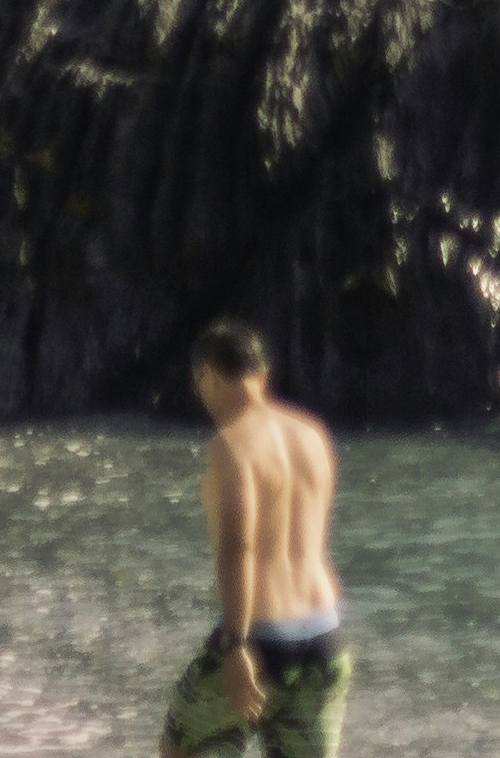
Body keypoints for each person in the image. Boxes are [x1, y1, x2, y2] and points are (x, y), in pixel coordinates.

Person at [163, 319, 348, 757]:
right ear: (262, 376)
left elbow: (238, 548)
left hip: (261, 639)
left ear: (208, 373)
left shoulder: (232, 444)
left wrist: (236, 645)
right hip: (323, 636)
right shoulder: (312, 434)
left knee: (179, 748)